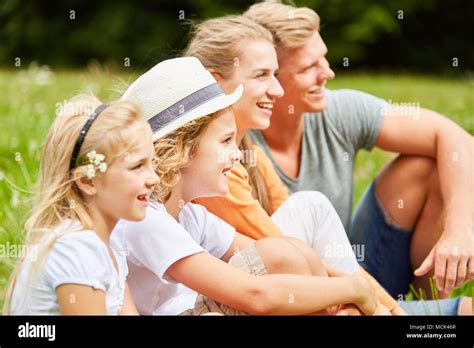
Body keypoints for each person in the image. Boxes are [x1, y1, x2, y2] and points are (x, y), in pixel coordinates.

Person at [240, 1, 474, 300]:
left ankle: (431, 304)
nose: (328, 73)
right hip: (300, 296)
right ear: (268, 75)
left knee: (424, 166)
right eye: (309, 67)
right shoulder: (237, 145)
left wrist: (458, 231)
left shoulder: (337, 110)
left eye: (323, 59)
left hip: (358, 270)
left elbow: (454, 138)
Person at [115, 57, 380, 316]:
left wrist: (350, 292)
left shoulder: (190, 217)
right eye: (226, 140)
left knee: (288, 251)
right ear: (183, 149)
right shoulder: (145, 218)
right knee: (278, 259)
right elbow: (255, 295)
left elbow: (291, 256)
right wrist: (351, 289)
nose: (237, 154)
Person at [4, 95, 159, 315]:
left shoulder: (107, 243)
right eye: (137, 166)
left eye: (152, 162)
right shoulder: (76, 249)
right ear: (87, 181)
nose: (154, 178)